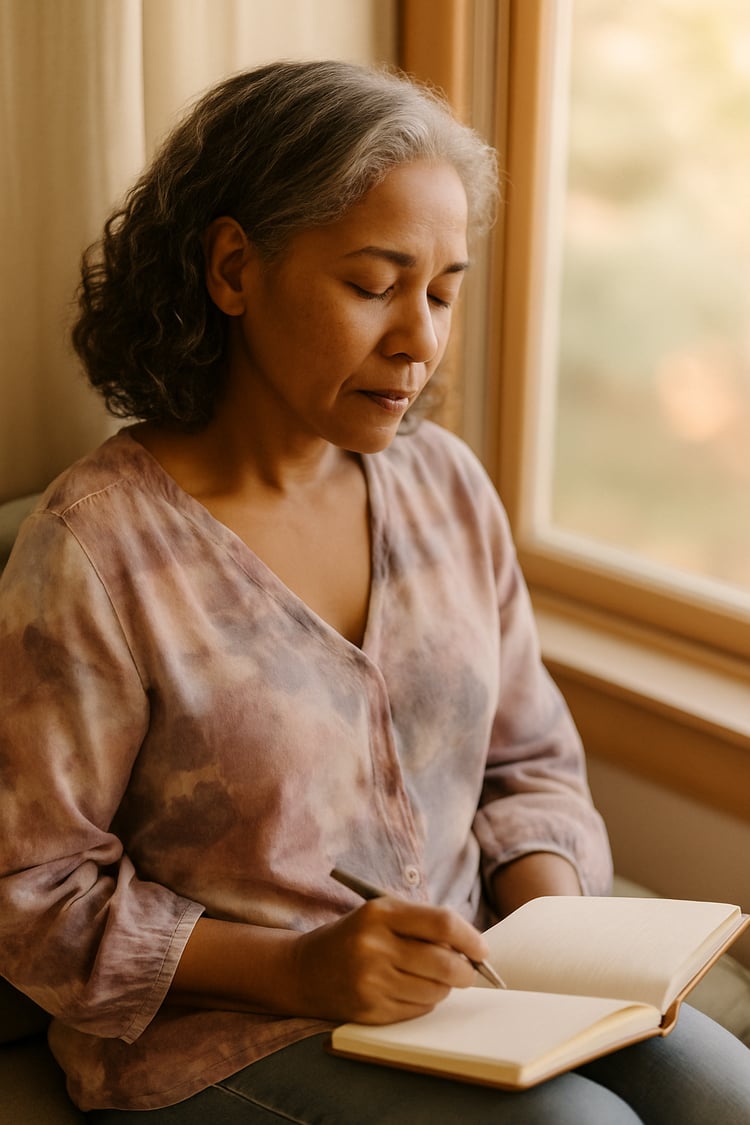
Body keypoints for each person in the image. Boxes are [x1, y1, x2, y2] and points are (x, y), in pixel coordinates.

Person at [0, 59, 747, 1125]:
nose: (420, 340)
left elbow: (528, 761)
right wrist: (303, 968)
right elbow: (31, 897)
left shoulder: (445, 488)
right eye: (373, 284)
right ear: (231, 269)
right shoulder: (95, 550)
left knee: (725, 1093)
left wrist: (559, 947)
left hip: (471, 992)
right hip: (218, 1037)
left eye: (443, 291)